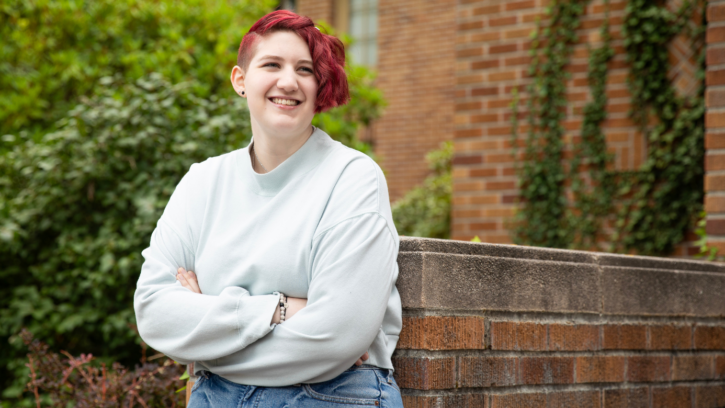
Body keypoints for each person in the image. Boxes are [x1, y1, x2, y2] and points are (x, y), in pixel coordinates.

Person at [133, 10, 404, 407]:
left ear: (319, 84)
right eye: (271, 64)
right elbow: (155, 312)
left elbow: (336, 337)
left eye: (305, 69)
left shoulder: (352, 178)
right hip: (214, 397)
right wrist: (280, 309)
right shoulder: (203, 182)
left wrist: (207, 331)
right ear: (240, 81)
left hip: (332, 394)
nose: (288, 82)